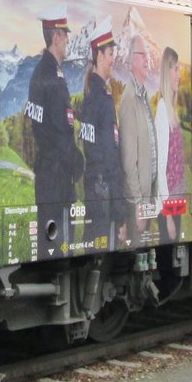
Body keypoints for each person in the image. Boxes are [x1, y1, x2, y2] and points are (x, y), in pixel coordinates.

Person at [26, 14, 84, 259]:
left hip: (49, 179)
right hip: (57, 180)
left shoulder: (42, 71)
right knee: (59, 252)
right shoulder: (51, 76)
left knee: (50, 250)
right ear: (56, 36)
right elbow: (59, 131)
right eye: (65, 34)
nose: (69, 39)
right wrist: (76, 160)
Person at [78, 26, 127, 249]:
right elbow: (110, 158)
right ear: (99, 55)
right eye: (110, 55)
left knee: (90, 248)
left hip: (93, 191)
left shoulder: (89, 96)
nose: (113, 61)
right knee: (101, 252)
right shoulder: (103, 99)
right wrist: (120, 214)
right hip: (104, 193)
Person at [118, 31, 157, 247]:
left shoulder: (143, 97)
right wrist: (139, 205)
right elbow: (128, 161)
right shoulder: (130, 98)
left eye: (148, 55)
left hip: (146, 197)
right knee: (136, 249)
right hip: (137, 203)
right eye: (142, 55)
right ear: (132, 60)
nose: (147, 60)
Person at [154, 47, 185, 241]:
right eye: (175, 69)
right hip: (170, 201)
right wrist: (167, 217)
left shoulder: (171, 110)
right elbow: (161, 167)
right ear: (167, 72)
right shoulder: (163, 111)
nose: (179, 75)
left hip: (177, 196)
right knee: (169, 247)